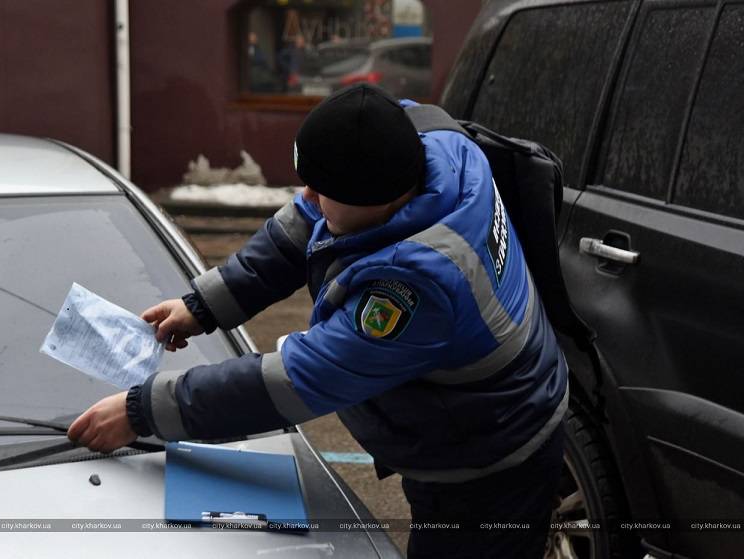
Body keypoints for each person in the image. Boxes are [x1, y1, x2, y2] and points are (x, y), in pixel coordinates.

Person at [68, 84, 568, 558]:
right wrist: (204, 306)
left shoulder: (418, 288)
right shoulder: (423, 141)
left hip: (491, 459)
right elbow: (305, 222)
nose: (306, 194)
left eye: (322, 187)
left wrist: (140, 412)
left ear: (375, 199)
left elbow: (293, 381)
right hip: (471, 406)